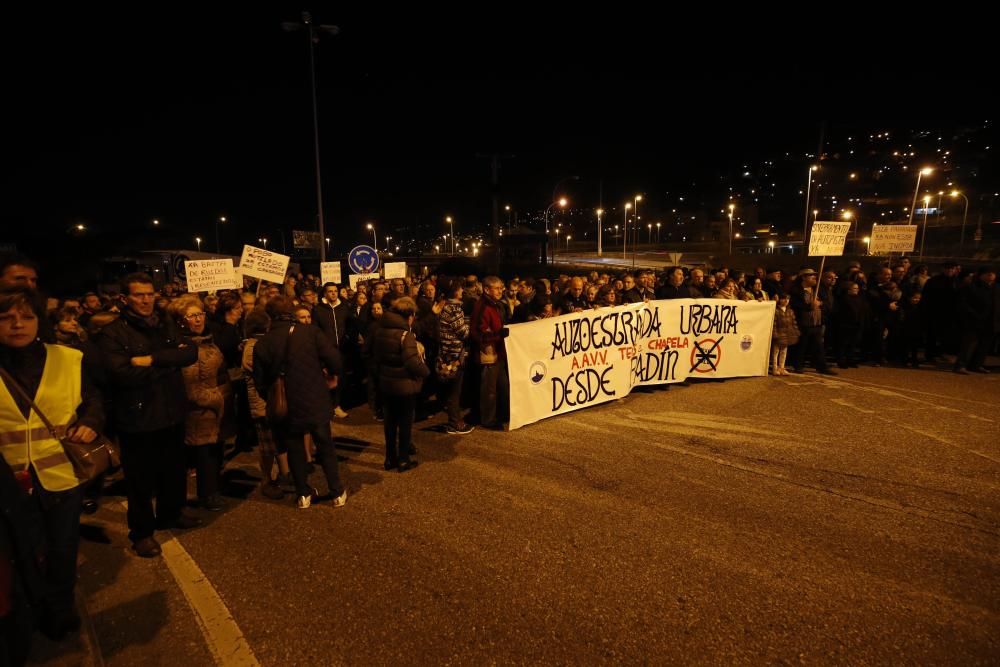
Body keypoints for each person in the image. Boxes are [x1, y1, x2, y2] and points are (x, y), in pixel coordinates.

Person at [0, 287, 104, 640]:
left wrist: (91, 421)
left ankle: (59, 610)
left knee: (63, 548)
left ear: (39, 321)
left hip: (61, 473)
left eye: (26, 316)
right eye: (6, 317)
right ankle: (29, 610)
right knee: (20, 552)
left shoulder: (67, 357)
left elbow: (92, 399)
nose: (17, 324)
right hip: (8, 483)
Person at [97, 273, 200, 558]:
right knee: (140, 481)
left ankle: (171, 512)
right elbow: (122, 374)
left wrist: (154, 359)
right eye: (139, 295)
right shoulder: (113, 334)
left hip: (171, 410)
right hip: (137, 417)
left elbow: (189, 352)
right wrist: (169, 360)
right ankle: (142, 532)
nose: (145, 300)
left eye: (149, 294)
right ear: (124, 299)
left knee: (174, 470)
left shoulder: (165, 324)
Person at [253, 296, 347, 509]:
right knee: (325, 444)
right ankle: (336, 491)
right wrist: (332, 375)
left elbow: (260, 382)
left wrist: (276, 396)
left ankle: (303, 493)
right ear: (292, 312)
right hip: (315, 397)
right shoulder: (310, 332)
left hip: (287, 403)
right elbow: (335, 359)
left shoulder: (263, 343)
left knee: (293, 446)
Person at [170, 295, 233, 512]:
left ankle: (213, 488)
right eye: (192, 316)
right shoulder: (185, 347)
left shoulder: (208, 340)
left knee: (215, 451)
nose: (198, 320)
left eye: (200, 314)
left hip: (216, 408)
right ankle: (207, 494)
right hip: (201, 410)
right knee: (204, 453)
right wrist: (216, 400)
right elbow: (192, 387)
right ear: (181, 320)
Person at [374, 297, 430, 471]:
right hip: (404, 386)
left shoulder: (381, 330)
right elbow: (412, 362)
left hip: (386, 383)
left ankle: (390, 458)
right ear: (410, 315)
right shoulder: (405, 335)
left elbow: (374, 356)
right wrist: (426, 372)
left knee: (390, 423)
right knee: (405, 423)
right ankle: (404, 459)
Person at [241, 310, 288, 500]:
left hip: (267, 402)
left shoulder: (255, 345)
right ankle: (267, 480)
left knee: (274, 442)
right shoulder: (253, 348)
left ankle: (278, 475)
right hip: (261, 404)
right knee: (267, 446)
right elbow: (266, 373)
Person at [436, 280, 474, 434]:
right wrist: (471, 326)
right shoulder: (454, 309)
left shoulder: (444, 306)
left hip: (446, 352)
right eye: (460, 289)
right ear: (455, 292)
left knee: (450, 389)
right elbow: (463, 333)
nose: (462, 291)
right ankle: (454, 422)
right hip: (453, 354)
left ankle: (453, 418)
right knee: (454, 390)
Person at [771, 293, 799, 375]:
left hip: (786, 334)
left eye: (788, 299)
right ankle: (775, 368)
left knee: (784, 351)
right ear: (780, 299)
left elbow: (794, 322)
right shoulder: (776, 311)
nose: (786, 300)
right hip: (779, 334)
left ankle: (781, 367)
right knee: (775, 352)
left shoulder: (790, 311)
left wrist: (796, 331)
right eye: (784, 298)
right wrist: (775, 333)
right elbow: (774, 323)